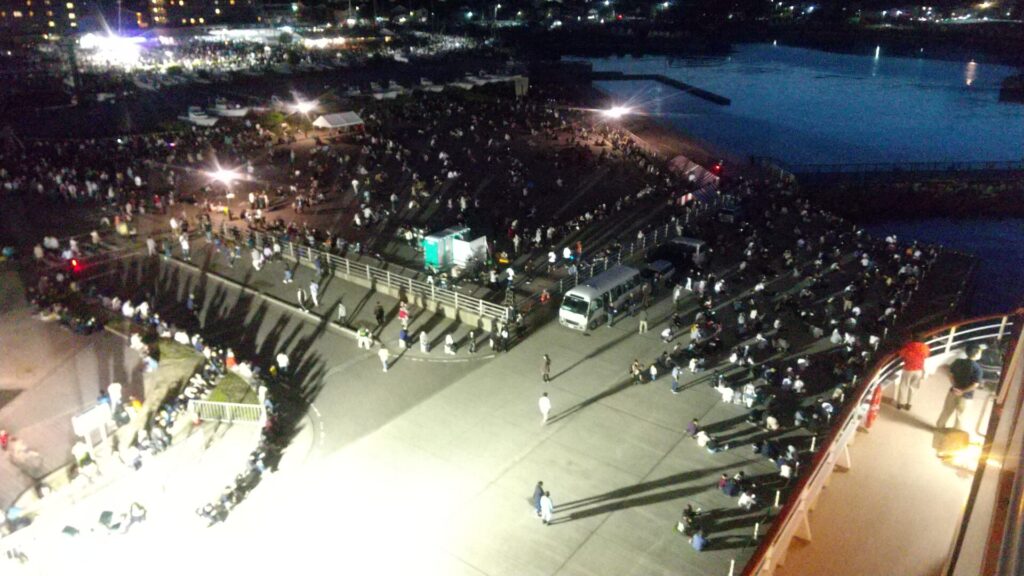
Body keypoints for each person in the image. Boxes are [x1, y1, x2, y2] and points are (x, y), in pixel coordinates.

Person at [936, 344, 984, 430]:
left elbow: (950, 375)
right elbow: (975, 385)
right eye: (980, 352)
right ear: (976, 354)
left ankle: (939, 428)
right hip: (966, 395)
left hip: (953, 391)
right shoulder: (977, 368)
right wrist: (962, 391)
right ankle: (956, 432)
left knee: (946, 411)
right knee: (961, 415)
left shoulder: (957, 361)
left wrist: (955, 386)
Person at [897, 333, 930, 411]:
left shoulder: (908, 346)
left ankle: (900, 403)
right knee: (913, 388)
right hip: (918, 370)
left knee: (903, 386)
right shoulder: (925, 347)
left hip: (908, 369)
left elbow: (901, 354)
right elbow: (926, 355)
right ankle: (909, 404)